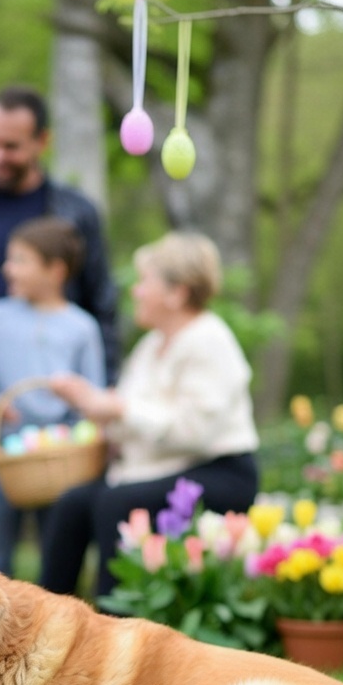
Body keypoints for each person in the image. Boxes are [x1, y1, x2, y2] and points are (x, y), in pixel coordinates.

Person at [39, 231, 260, 599]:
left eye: (145, 282)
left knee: (116, 503)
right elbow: (130, 420)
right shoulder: (151, 345)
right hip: (159, 469)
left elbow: (195, 432)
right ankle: (40, 619)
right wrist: (94, 406)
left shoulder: (210, 340)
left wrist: (118, 408)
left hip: (218, 471)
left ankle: (117, 631)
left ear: (177, 292)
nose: (136, 291)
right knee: (73, 503)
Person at [0, 84, 119, 380]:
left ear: (42, 141)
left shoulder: (78, 212)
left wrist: (104, 384)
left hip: (48, 376)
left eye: (11, 147)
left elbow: (101, 301)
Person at [0, 216, 106, 577]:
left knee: (57, 544)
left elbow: (90, 390)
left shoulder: (81, 327)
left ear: (55, 270)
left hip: (59, 454)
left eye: (20, 260)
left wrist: (75, 434)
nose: (7, 268)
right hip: (5, 449)